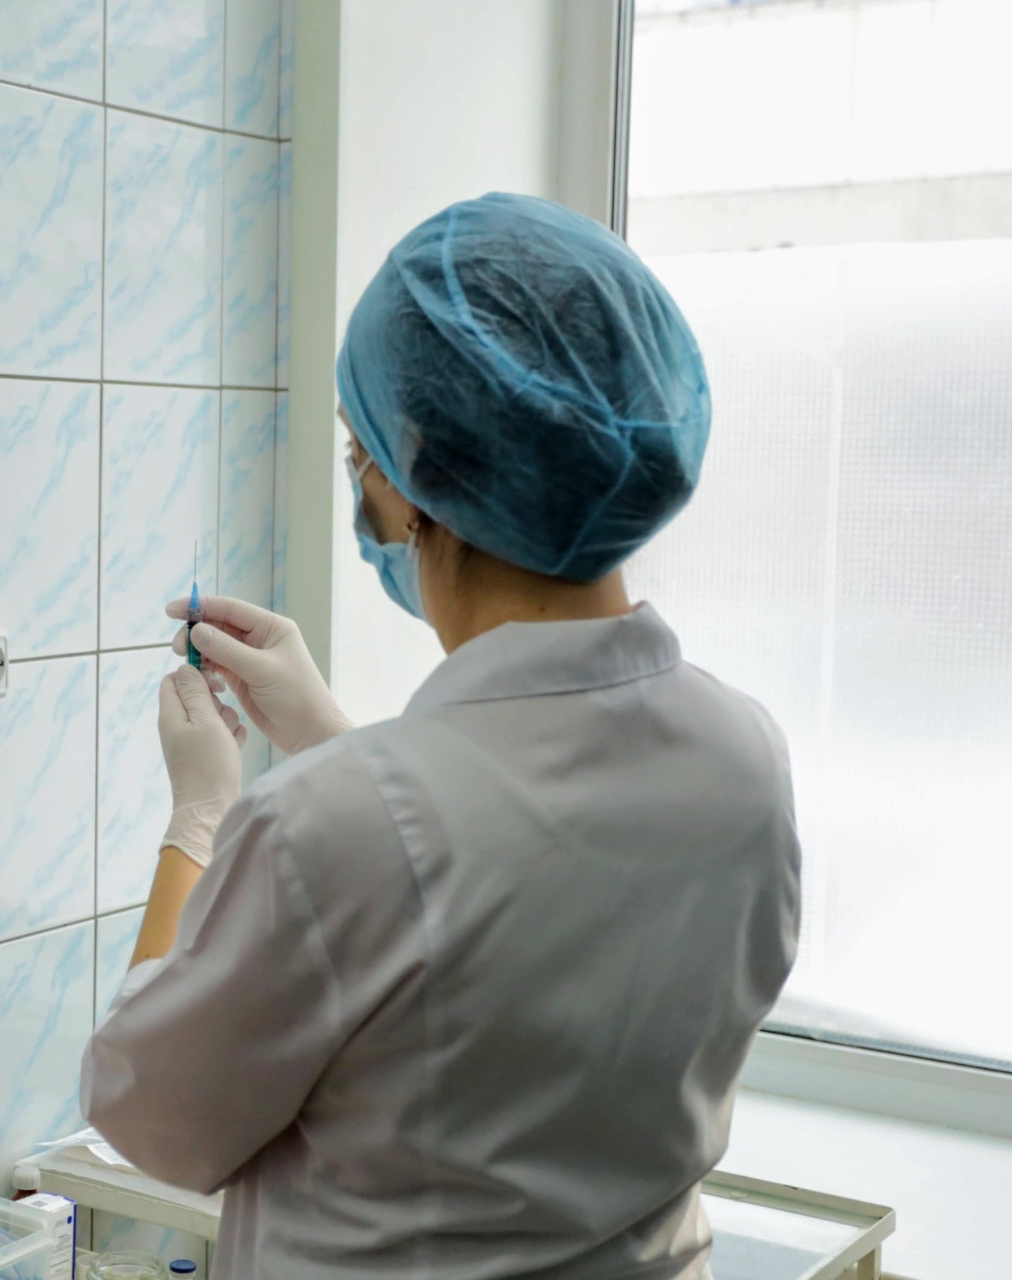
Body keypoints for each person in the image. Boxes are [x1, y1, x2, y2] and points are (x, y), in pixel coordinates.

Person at [81, 193, 801, 1280]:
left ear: (412, 476)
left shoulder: (326, 828)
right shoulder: (745, 756)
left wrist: (204, 817)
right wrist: (333, 740)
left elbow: (153, 1120)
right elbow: (502, 868)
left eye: (356, 446)